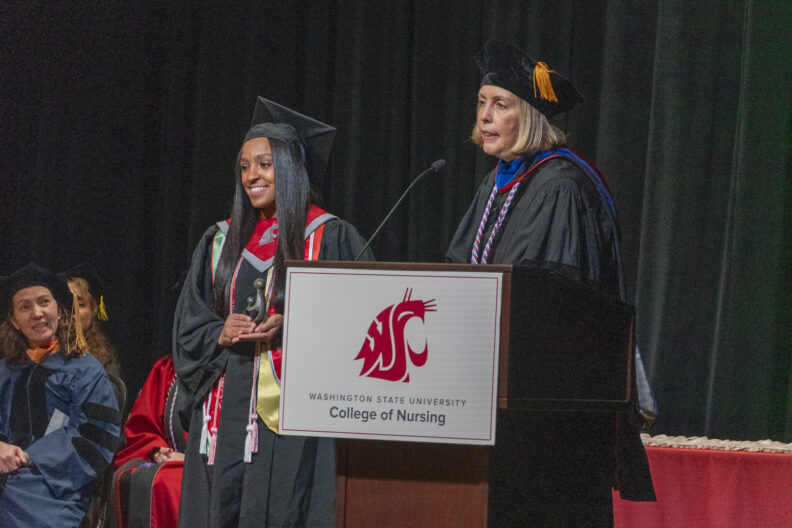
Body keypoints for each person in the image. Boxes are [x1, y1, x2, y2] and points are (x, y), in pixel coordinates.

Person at [446, 39, 655, 526]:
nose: (484, 117)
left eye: (501, 105)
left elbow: (551, 299)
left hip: (546, 416)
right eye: (482, 103)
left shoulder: (561, 185)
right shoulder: (498, 184)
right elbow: (461, 269)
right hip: (497, 406)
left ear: (533, 116)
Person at [173, 97, 373, 528]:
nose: (252, 177)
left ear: (289, 169)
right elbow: (189, 325)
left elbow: (367, 319)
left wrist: (295, 323)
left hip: (294, 414)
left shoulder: (330, 237)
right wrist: (219, 332)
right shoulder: (219, 240)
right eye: (244, 167)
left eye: (264, 164)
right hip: (224, 411)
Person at [0, 263, 121, 528]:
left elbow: (94, 437)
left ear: (59, 309)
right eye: (24, 307)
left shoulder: (86, 371)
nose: (37, 313)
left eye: (44, 302)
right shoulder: (5, 370)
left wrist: (28, 458)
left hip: (52, 489)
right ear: (14, 321)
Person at [108, 354, 186, 528]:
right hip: (169, 459)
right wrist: (157, 450)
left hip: (210, 466)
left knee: (165, 483)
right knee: (125, 477)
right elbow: (142, 426)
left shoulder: (239, 372)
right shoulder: (168, 369)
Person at [67, 267, 123, 380]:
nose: (72, 311)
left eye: (80, 305)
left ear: (94, 309)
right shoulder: (45, 356)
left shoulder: (104, 365)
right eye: (66, 303)